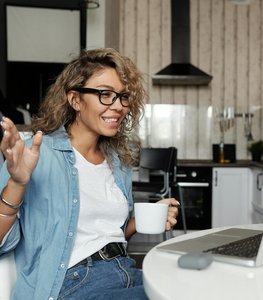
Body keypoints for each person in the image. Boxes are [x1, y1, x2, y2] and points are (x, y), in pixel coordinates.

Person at [0, 48, 179, 300]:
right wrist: (17, 183)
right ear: (75, 100)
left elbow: (103, 234)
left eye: (123, 96)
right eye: (105, 94)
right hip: (72, 285)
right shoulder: (36, 154)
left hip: (125, 272)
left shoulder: (118, 163)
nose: (118, 106)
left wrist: (136, 224)